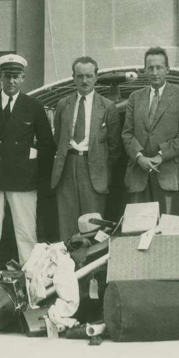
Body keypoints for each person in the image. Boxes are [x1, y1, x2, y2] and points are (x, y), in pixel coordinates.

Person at [0, 54, 55, 272]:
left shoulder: (33, 106)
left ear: (23, 78)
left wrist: (33, 169)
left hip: (23, 179)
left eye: (16, 76)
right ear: (0, 77)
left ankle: (31, 281)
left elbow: (46, 144)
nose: (11, 81)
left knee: (26, 233)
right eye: (7, 76)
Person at [50, 56, 121, 240]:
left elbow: (114, 147)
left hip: (95, 169)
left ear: (96, 77)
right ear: (73, 77)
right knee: (67, 223)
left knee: (93, 224)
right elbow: (59, 138)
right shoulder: (63, 104)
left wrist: (104, 169)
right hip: (67, 166)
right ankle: (68, 265)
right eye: (80, 76)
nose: (84, 81)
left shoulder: (108, 107)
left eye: (89, 76)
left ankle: (91, 266)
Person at [121, 46, 179, 216]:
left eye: (159, 67)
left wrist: (160, 156)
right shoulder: (134, 97)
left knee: (167, 232)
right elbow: (127, 134)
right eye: (150, 67)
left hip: (168, 173)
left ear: (167, 69)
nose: (155, 72)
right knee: (139, 229)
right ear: (145, 70)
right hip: (138, 174)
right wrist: (139, 157)